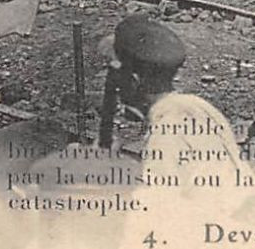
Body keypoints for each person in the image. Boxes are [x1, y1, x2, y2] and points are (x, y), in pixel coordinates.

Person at [99, 14, 246, 184]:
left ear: (134, 80)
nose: (113, 83)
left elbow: (156, 206)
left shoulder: (164, 138)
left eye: (116, 74)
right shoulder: (201, 108)